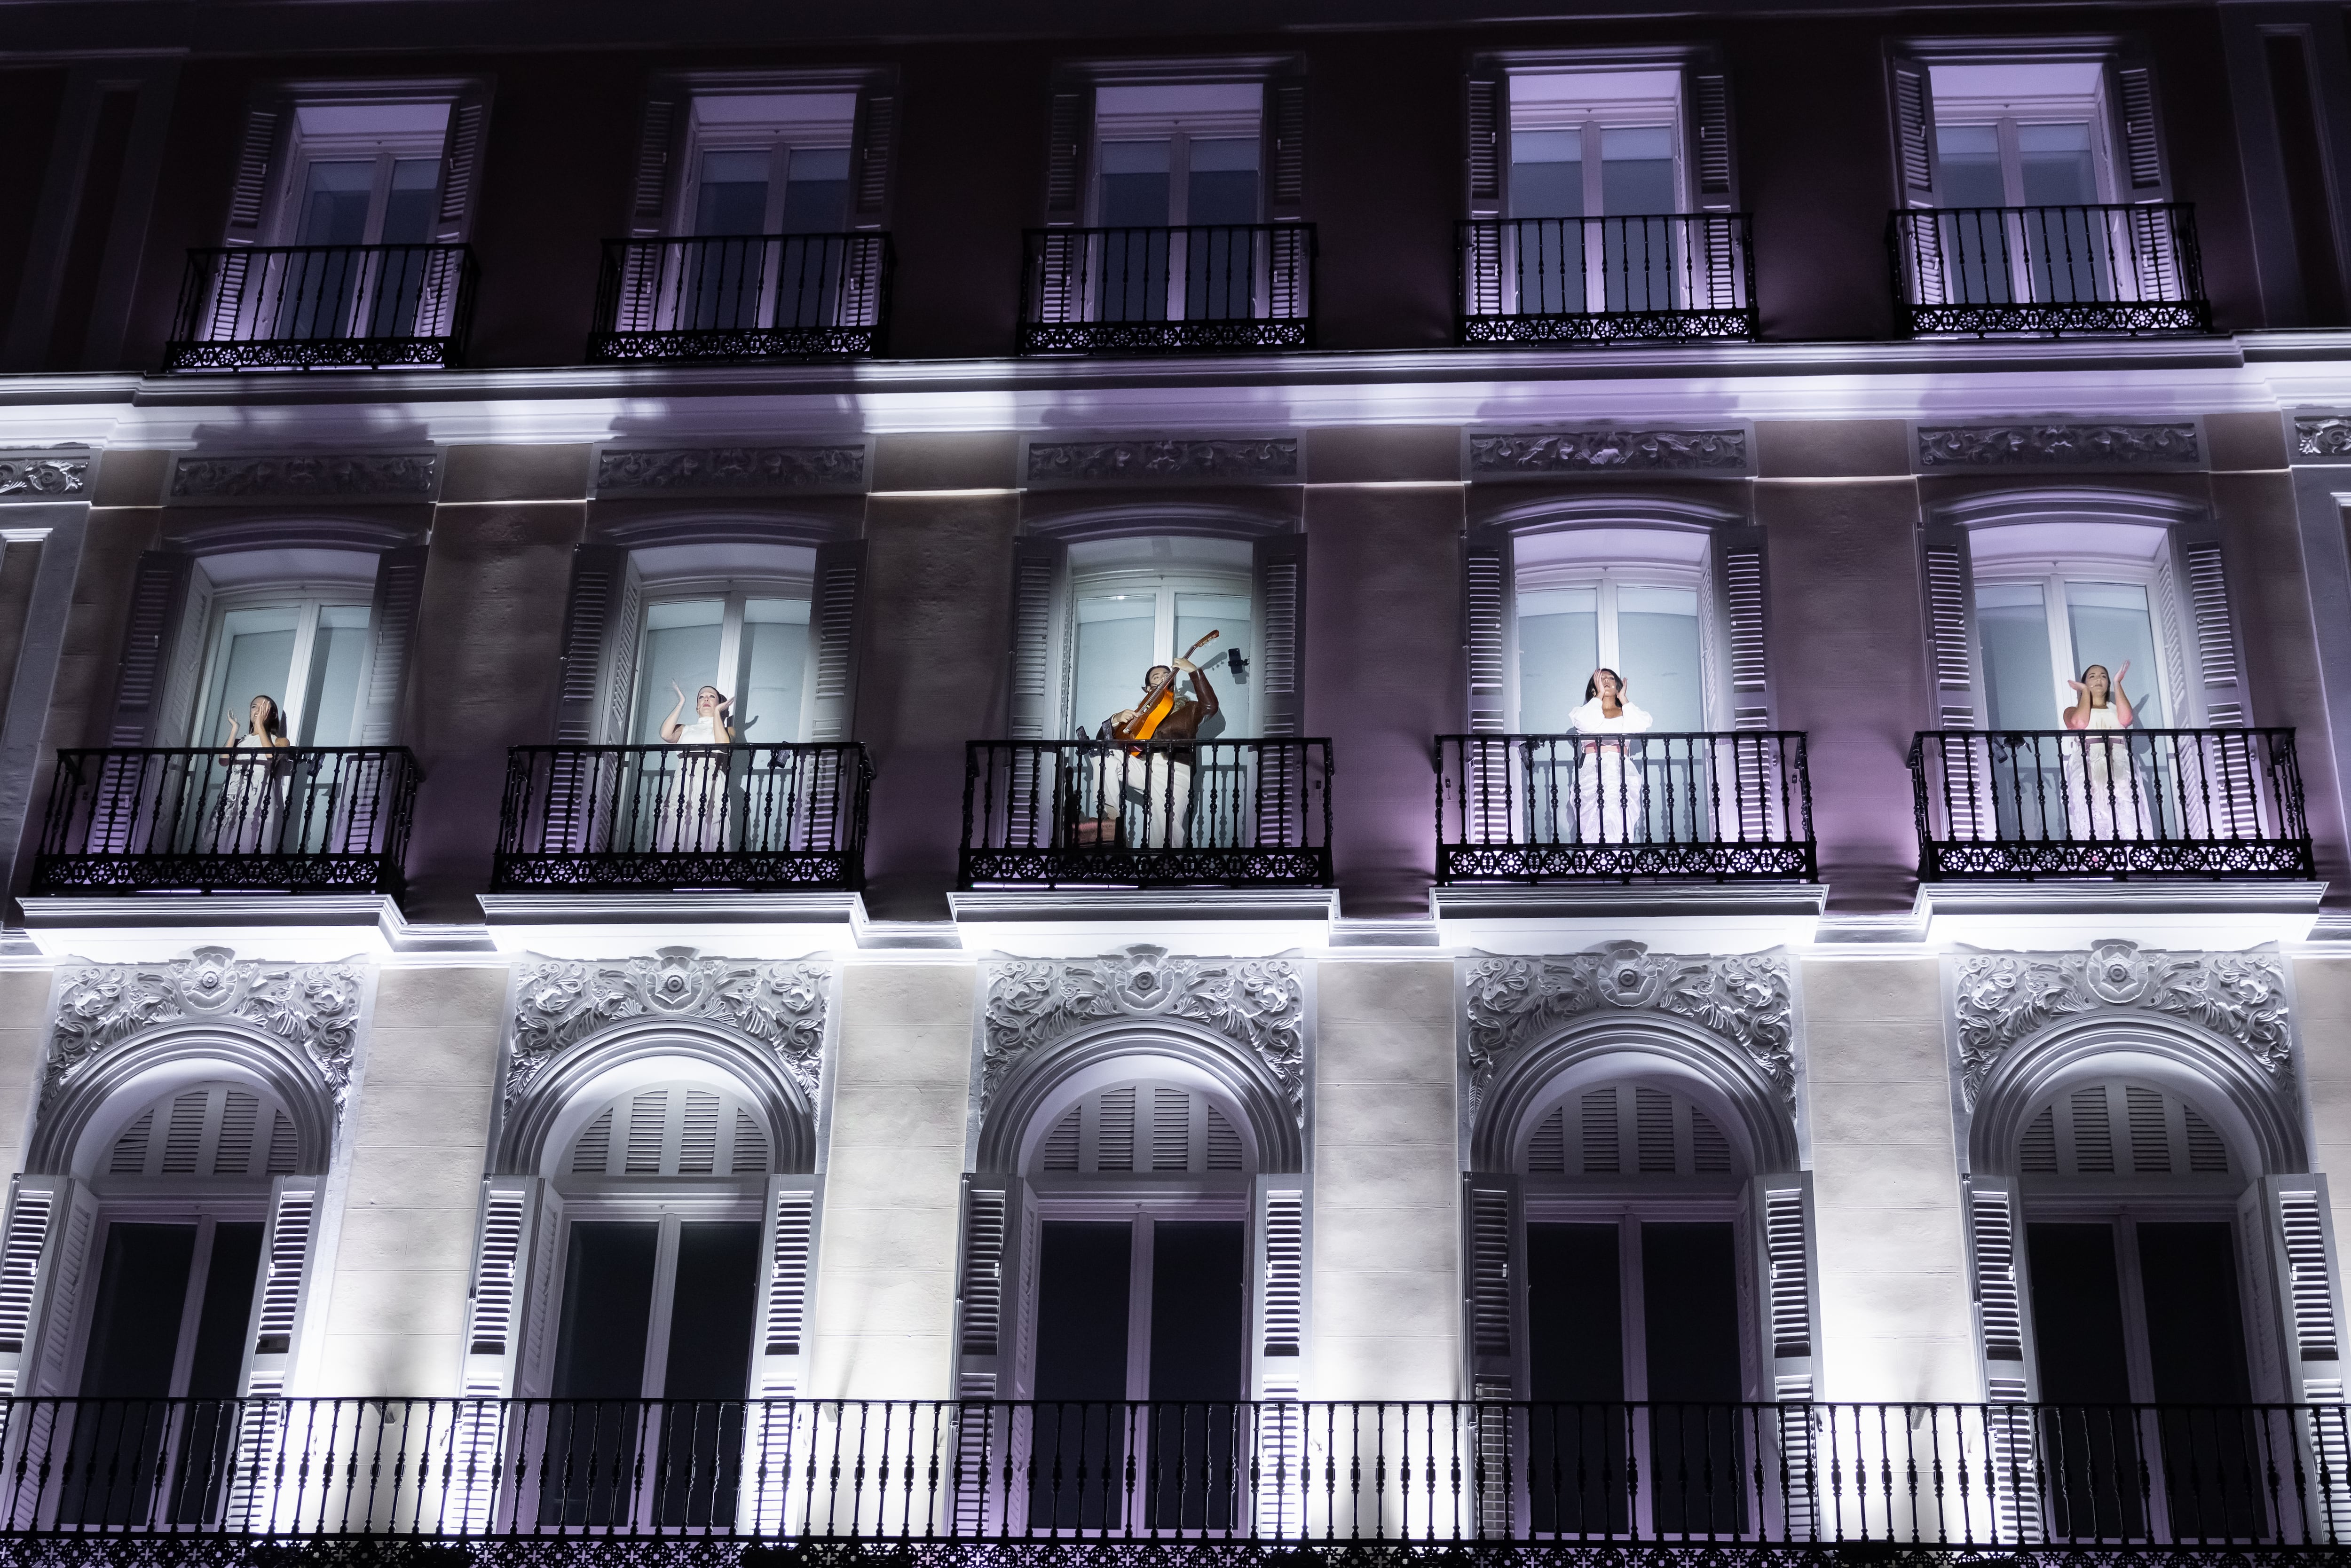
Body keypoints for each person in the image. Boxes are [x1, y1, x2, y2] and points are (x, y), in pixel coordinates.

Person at [1085, 655, 1219, 849]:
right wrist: (1116, 719)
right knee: (1103, 756)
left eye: (1166, 674)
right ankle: (1112, 814)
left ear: (1172, 680)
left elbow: (1210, 707)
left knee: (1166, 827)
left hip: (1176, 770)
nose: (1162, 677)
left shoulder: (1189, 708)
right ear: (1148, 688)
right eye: (1156, 677)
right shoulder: (1139, 714)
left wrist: (1193, 671)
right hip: (1145, 766)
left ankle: (1164, 870)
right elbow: (1103, 742)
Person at [2060, 661, 2156, 841]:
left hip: (2118, 761)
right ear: (2084, 684)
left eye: (2103, 677)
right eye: (2092, 676)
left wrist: (2118, 682)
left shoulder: (2115, 708)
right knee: (2094, 812)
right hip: (2090, 763)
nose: (2099, 680)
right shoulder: (2072, 710)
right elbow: (2080, 723)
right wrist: (2086, 693)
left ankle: (2131, 855)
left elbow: (2127, 718)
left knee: (2126, 810)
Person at [1567, 668, 1653, 844]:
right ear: (1594, 687)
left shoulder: (1626, 713)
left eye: (1611, 678)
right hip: (1593, 768)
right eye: (1601, 678)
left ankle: (1620, 858)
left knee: (1619, 813)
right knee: (1594, 817)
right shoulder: (1585, 712)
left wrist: (1624, 699)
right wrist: (1599, 696)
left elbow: (1640, 725)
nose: (1607, 680)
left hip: (1620, 768)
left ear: (1617, 685)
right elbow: (1586, 723)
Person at [655, 681, 734, 852]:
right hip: (684, 783)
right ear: (697, 706)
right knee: (678, 825)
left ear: (718, 703)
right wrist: (681, 702)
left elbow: (723, 745)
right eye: (702, 697)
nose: (706, 698)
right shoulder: (685, 729)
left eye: (711, 696)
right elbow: (665, 734)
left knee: (709, 826)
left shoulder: (728, 730)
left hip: (711, 784)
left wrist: (716, 714)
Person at [212, 694, 293, 854]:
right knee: (221, 848)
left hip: (257, 802)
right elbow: (223, 760)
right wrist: (235, 729)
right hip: (232, 800)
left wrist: (260, 726)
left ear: (273, 714)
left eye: (264, 707)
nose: (258, 710)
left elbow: (272, 757)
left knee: (248, 846)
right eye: (254, 706)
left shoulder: (280, 741)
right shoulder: (240, 741)